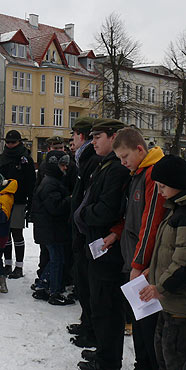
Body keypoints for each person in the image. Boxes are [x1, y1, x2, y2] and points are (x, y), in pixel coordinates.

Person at [105, 127, 165, 370]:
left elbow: (151, 222)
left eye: (125, 157)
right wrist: (117, 232)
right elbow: (133, 216)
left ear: (140, 150)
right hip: (136, 261)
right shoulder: (138, 173)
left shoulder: (153, 174)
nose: (123, 163)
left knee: (149, 328)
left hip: (147, 267)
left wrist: (138, 265)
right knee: (140, 324)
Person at [74, 118, 130, 370]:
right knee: (98, 305)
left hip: (108, 250)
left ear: (114, 136)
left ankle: (108, 361)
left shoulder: (117, 168)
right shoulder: (105, 164)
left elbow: (108, 210)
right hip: (97, 246)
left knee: (107, 308)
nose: (92, 141)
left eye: (98, 137)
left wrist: (83, 214)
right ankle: (104, 353)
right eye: (92, 137)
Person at [139, 155, 186, 370]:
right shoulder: (175, 209)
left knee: (173, 358)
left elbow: (183, 263)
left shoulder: (183, 215)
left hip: (179, 305)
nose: (160, 191)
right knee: (162, 356)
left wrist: (161, 287)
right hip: (167, 301)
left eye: (163, 186)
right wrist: (153, 270)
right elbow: (166, 251)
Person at [67, 117, 101, 347]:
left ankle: (91, 329)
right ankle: (86, 323)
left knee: (90, 285)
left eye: (73, 135)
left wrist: (80, 218)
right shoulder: (84, 158)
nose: (71, 140)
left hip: (88, 231)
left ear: (81, 135)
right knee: (83, 281)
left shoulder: (91, 159)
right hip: (81, 229)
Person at [31, 151, 75, 306]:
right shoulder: (50, 183)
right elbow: (55, 207)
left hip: (50, 229)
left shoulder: (51, 181)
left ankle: (43, 284)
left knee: (55, 258)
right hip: (51, 229)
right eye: (62, 165)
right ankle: (54, 291)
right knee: (57, 259)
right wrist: (70, 199)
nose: (65, 168)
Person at [0, 130, 36, 279]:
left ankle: (19, 266)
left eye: (13, 142)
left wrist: (30, 204)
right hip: (4, 200)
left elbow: (31, 182)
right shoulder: (2, 157)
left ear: (19, 142)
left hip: (19, 201)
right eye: (8, 142)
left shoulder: (25, 159)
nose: (10, 145)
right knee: (5, 233)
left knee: (17, 233)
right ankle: (8, 264)